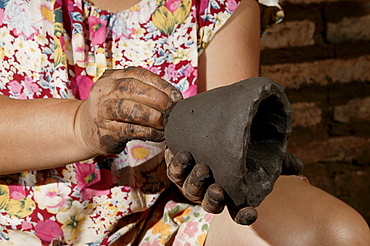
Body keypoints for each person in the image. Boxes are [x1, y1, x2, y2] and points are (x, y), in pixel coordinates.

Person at [0, 0, 369, 245]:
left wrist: (233, 170)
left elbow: (226, 127)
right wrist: (80, 125)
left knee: (336, 233)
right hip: (12, 227)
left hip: (157, 222)